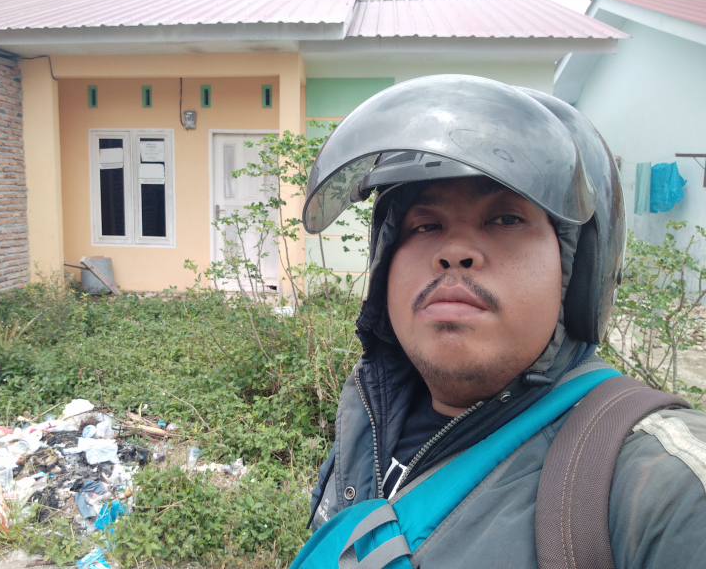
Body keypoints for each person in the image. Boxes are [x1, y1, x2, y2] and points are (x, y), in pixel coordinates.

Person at [301, 75, 706, 567]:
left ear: (579, 274)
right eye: (426, 225)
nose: (454, 251)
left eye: (506, 219)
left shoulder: (661, 485)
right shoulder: (368, 423)